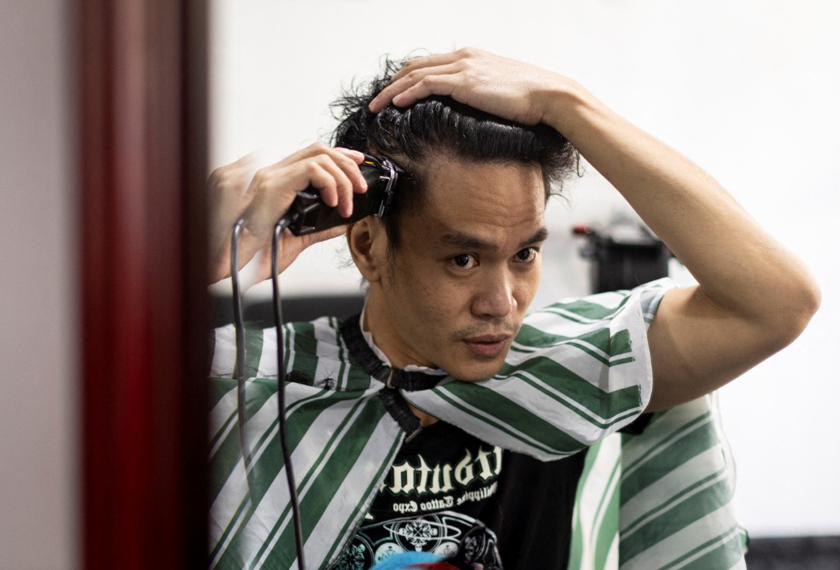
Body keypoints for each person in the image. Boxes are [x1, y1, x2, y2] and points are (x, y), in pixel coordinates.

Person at [206, 49, 820, 570]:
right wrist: (191, 263)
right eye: (463, 261)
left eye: (524, 253)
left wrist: (569, 104)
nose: (502, 304)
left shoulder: (571, 374)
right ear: (368, 245)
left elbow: (777, 303)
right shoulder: (255, 383)